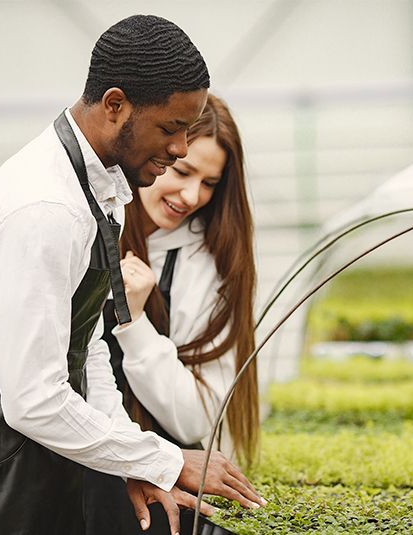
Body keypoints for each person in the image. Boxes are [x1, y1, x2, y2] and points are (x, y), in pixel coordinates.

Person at [0, 15, 264, 535]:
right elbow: (34, 400)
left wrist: (131, 459)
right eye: (170, 128)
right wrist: (160, 459)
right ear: (115, 105)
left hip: (28, 439)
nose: (181, 147)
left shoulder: (99, 185)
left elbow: (86, 338)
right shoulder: (47, 207)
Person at [84, 94, 259, 534]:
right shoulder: (84, 224)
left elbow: (195, 415)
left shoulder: (208, 263)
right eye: (182, 172)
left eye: (209, 183)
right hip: (73, 465)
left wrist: (133, 322)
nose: (191, 196)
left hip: (166, 487)